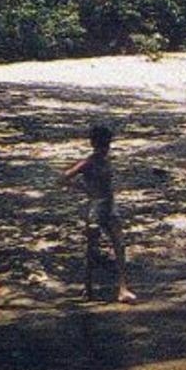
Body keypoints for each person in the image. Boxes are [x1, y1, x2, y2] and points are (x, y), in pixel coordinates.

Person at [60, 124, 137, 303]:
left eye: (107, 144)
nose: (106, 147)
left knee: (119, 244)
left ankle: (122, 288)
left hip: (110, 205)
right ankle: (88, 288)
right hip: (96, 206)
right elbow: (63, 178)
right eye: (103, 144)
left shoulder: (104, 160)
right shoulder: (89, 162)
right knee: (92, 248)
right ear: (95, 143)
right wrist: (84, 189)